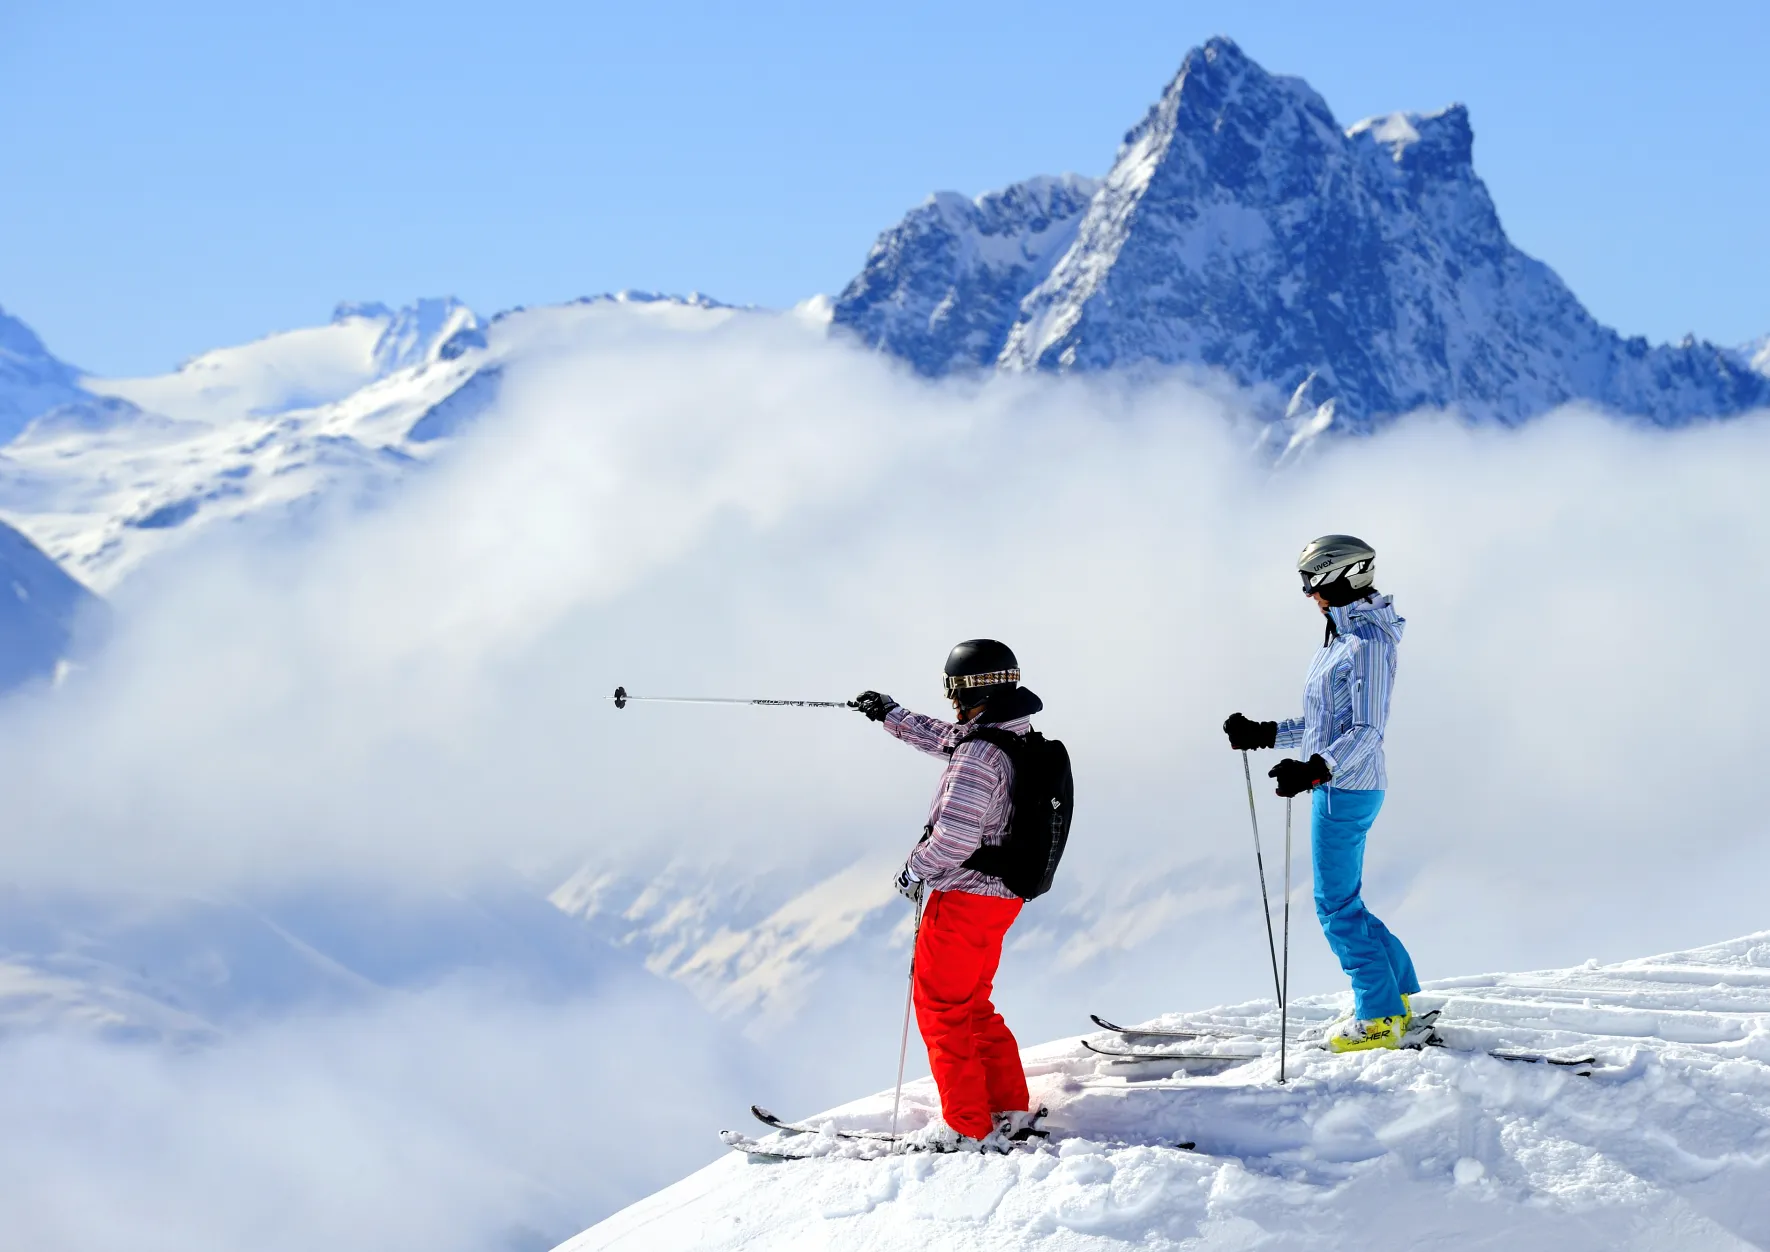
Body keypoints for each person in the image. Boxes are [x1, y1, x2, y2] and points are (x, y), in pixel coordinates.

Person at [1223, 535, 1419, 1053]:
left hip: (1345, 788)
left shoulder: (1368, 644)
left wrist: (1317, 770)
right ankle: (1396, 998)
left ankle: (1379, 1018)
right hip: (1344, 783)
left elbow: (1367, 730)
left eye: (1313, 581)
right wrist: (1266, 733)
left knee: (1333, 907)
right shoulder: (1343, 635)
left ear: (1339, 577)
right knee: (1346, 902)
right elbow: (1324, 722)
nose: (1308, 593)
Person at [852, 639, 1046, 1151]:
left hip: (963, 898)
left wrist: (913, 871)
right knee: (972, 1003)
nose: (951, 702)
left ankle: (966, 1126)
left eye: (953, 690)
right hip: (1001, 897)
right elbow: (952, 739)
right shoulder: (1012, 736)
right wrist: (891, 715)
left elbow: (956, 838)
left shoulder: (979, 756)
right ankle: (1007, 1107)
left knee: (940, 1006)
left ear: (965, 688)